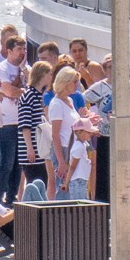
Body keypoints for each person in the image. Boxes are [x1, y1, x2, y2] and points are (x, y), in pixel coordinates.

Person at [0, 37, 27, 205]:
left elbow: (36, 87)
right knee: (7, 161)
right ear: (9, 50)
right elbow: (8, 91)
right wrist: (25, 91)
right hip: (6, 121)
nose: (22, 52)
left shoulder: (26, 69)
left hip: (23, 121)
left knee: (19, 163)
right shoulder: (1, 68)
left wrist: (25, 73)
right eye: (19, 49)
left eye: (24, 49)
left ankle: (12, 197)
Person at [46, 66, 89, 201]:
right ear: (65, 83)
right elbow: (55, 135)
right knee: (63, 189)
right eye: (75, 82)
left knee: (73, 187)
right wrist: (61, 161)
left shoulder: (69, 100)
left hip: (72, 148)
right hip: (63, 150)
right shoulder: (56, 104)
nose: (78, 85)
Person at [16, 61, 51, 201]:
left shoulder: (40, 95)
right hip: (32, 151)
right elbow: (25, 125)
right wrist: (30, 148)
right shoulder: (28, 95)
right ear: (42, 74)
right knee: (35, 184)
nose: (51, 76)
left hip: (41, 150)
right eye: (49, 73)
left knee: (42, 184)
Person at [82, 61, 115, 204]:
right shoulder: (99, 87)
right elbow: (82, 99)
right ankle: (103, 205)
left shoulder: (129, 86)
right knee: (102, 172)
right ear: (105, 70)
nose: (114, 70)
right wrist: (89, 115)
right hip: (103, 134)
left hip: (122, 135)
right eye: (110, 67)